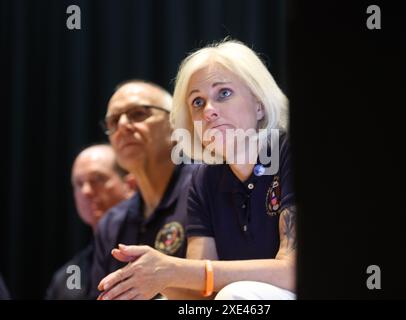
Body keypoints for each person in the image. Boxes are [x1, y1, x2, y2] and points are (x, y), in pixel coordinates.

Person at [96, 40, 297, 300]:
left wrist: (174, 269)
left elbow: (293, 271)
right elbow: (198, 293)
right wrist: (150, 277)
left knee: (238, 295)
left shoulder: (289, 149)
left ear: (259, 104)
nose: (209, 111)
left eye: (223, 93)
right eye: (198, 102)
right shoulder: (204, 178)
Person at [90, 80, 197, 299]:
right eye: (113, 121)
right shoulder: (111, 224)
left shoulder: (206, 185)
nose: (122, 126)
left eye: (138, 114)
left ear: (176, 124)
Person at [46, 144, 135, 299]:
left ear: (130, 185)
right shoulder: (66, 278)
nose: (86, 191)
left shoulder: (152, 254)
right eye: (79, 184)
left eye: (97, 178)